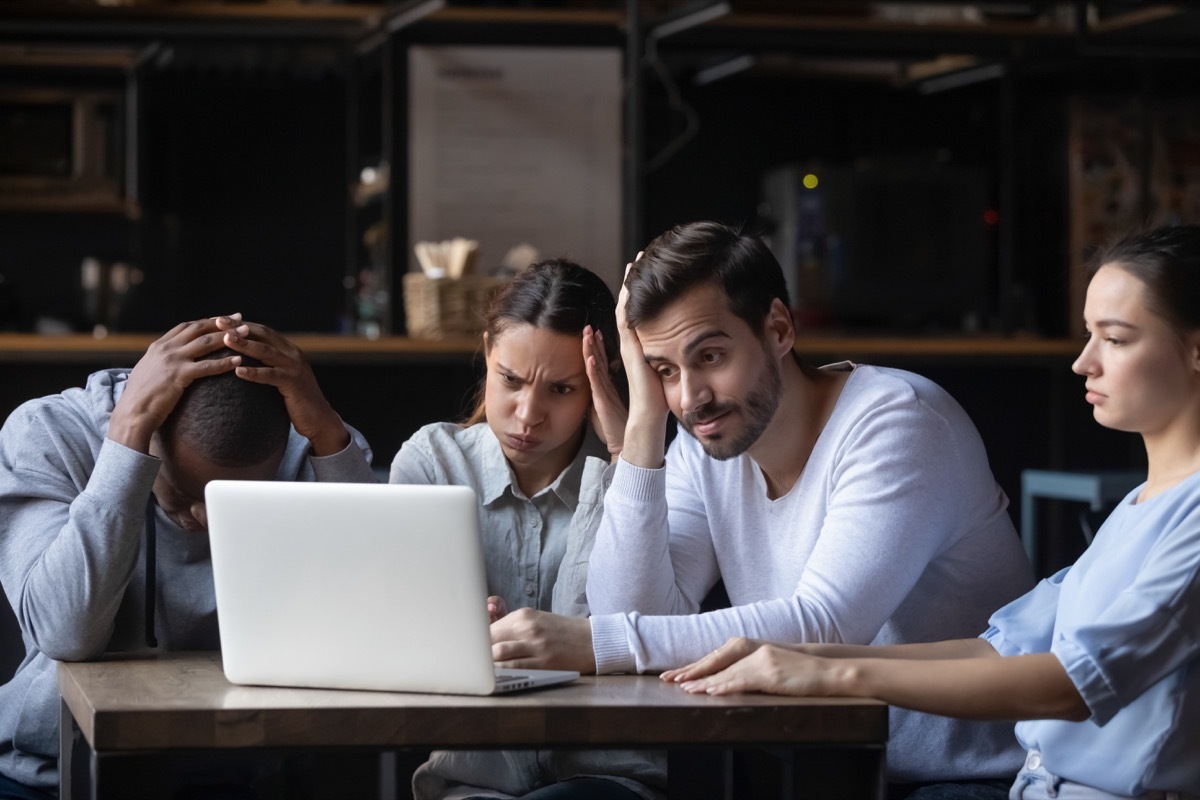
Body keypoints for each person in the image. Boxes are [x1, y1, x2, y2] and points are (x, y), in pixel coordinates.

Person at [489, 221, 1036, 796]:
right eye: (664, 371)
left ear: (778, 328)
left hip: (968, 783)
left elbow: (824, 626)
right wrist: (644, 430)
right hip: (826, 772)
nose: (691, 397)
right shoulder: (708, 444)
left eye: (711, 355)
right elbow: (636, 610)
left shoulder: (897, 421)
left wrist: (598, 644)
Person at [667, 223, 1200, 800]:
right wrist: (795, 653)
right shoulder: (1137, 508)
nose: (1083, 362)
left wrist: (829, 673)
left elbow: (1073, 681)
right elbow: (996, 646)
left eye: (1115, 339)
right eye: (1087, 335)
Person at [0, 314, 375, 800]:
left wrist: (328, 435)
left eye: (231, 499)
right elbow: (65, 632)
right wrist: (127, 436)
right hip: (55, 771)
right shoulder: (47, 434)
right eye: (183, 494)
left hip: (252, 767)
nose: (205, 518)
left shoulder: (317, 446)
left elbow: (373, 620)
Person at [389, 259, 665, 800]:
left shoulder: (641, 477)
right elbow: (396, 640)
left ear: (600, 378)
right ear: (487, 351)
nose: (527, 414)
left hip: (605, 776)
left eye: (561, 390)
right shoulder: (433, 464)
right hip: (474, 779)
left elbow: (614, 629)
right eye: (509, 380)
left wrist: (621, 456)